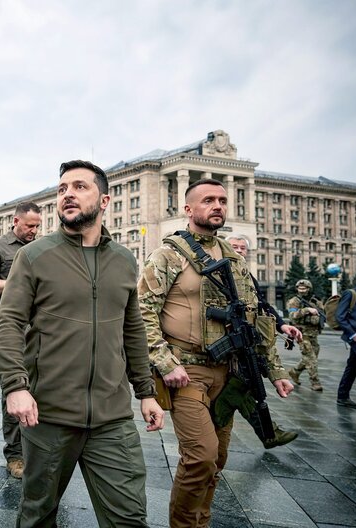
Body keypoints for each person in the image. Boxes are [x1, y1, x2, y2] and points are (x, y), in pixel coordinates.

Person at [0, 160, 164, 527]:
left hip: (112, 417)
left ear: (104, 201)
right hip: (48, 415)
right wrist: (15, 386)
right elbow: (9, 323)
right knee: (38, 514)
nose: (67, 194)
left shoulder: (123, 260)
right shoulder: (34, 256)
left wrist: (146, 392)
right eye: (62, 189)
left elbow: (132, 328)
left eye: (79, 187)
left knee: (129, 518)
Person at [139, 179, 292, 528]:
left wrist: (276, 371)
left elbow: (254, 317)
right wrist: (164, 362)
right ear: (188, 209)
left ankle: (201, 522)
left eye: (222, 200)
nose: (218, 206)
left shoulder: (234, 259)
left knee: (217, 459)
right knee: (201, 457)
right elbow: (141, 312)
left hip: (229, 373)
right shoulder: (168, 255)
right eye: (208, 200)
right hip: (185, 373)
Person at [0, 201, 41, 479]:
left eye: (37, 226)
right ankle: (15, 455)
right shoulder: (0, 247)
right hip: (14, 331)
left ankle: (38, 449)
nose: (34, 231)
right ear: (15, 222)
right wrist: (22, 282)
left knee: (42, 389)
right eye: (29, 226)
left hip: (41, 330)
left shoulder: (41, 247)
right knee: (14, 389)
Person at [226, 235, 300, 448]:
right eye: (234, 246)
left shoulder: (247, 275)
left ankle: (269, 434)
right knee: (240, 389)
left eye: (243, 248)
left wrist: (281, 325)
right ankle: (269, 434)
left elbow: (262, 305)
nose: (239, 250)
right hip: (224, 341)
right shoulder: (218, 271)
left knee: (244, 388)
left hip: (242, 340)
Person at [335, 268, 356, 410]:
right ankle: (342, 397)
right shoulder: (351, 293)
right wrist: (353, 334)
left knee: (353, 367)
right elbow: (340, 316)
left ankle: (342, 397)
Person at [287, 279, 325, 391]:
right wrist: (307, 310)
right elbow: (292, 316)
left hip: (313, 334)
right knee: (311, 359)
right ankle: (315, 382)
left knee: (310, 358)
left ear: (309, 289)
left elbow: (322, 312)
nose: (302, 290)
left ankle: (295, 372)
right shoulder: (294, 301)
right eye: (300, 288)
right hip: (302, 334)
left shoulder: (315, 300)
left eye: (304, 288)